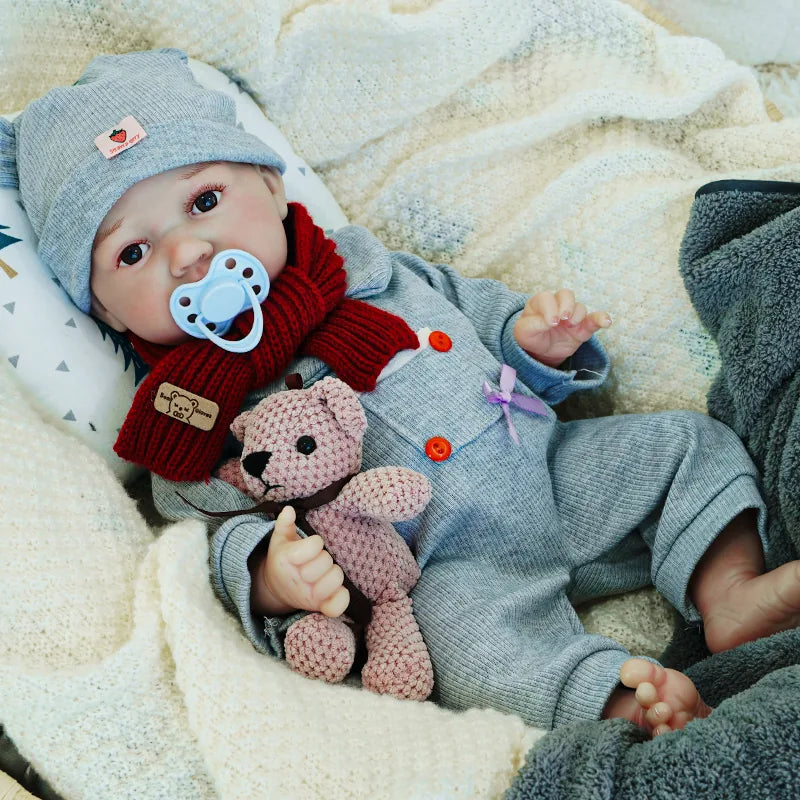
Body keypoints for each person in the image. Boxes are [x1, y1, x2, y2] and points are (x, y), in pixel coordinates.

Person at [4, 47, 800, 738]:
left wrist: (532, 343)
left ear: (278, 195)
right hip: (448, 567)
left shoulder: (369, 273)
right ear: (103, 312)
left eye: (205, 201)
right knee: (477, 660)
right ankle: (619, 706)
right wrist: (270, 577)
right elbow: (200, 532)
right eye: (134, 252)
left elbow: (478, 314)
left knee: (683, 446)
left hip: (553, 468)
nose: (187, 252)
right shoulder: (187, 417)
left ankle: (726, 592)